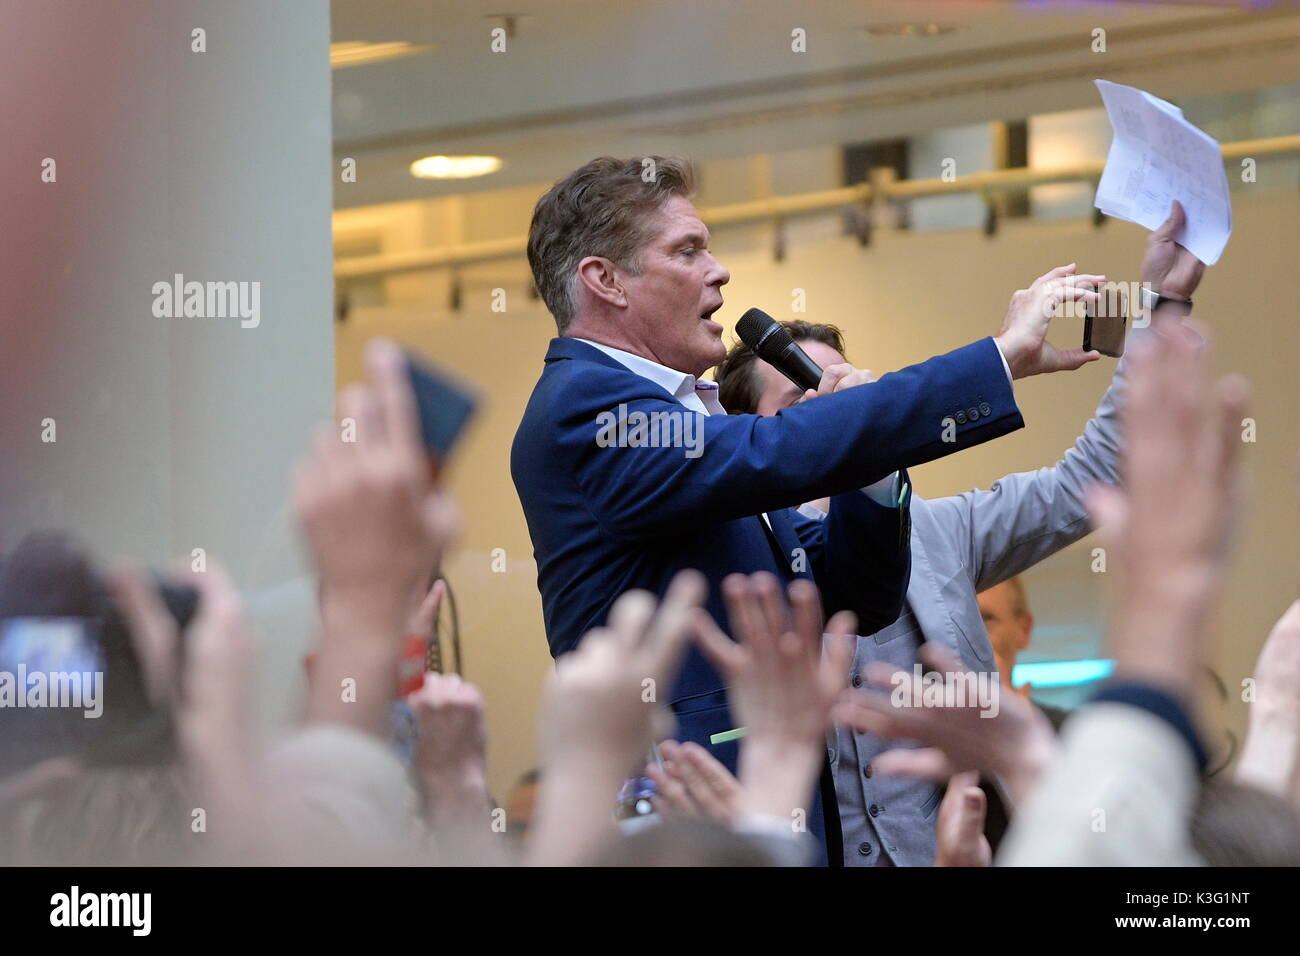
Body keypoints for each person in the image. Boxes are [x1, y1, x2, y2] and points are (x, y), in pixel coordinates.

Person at [511, 155, 1103, 862]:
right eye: (687, 250)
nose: (719, 271)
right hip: (683, 832)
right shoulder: (585, 408)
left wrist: (874, 469)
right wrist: (999, 359)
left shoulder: (689, 414)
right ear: (604, 281)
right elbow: (774, 453)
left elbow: (853, 595)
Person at [713, 201, 1199, 864]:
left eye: (851, 394)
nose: (839, 413)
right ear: (756, 434)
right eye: (807, 402)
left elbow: (1092, 477)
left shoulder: (940, 532)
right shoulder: (726, 552)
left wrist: (1159, 305)